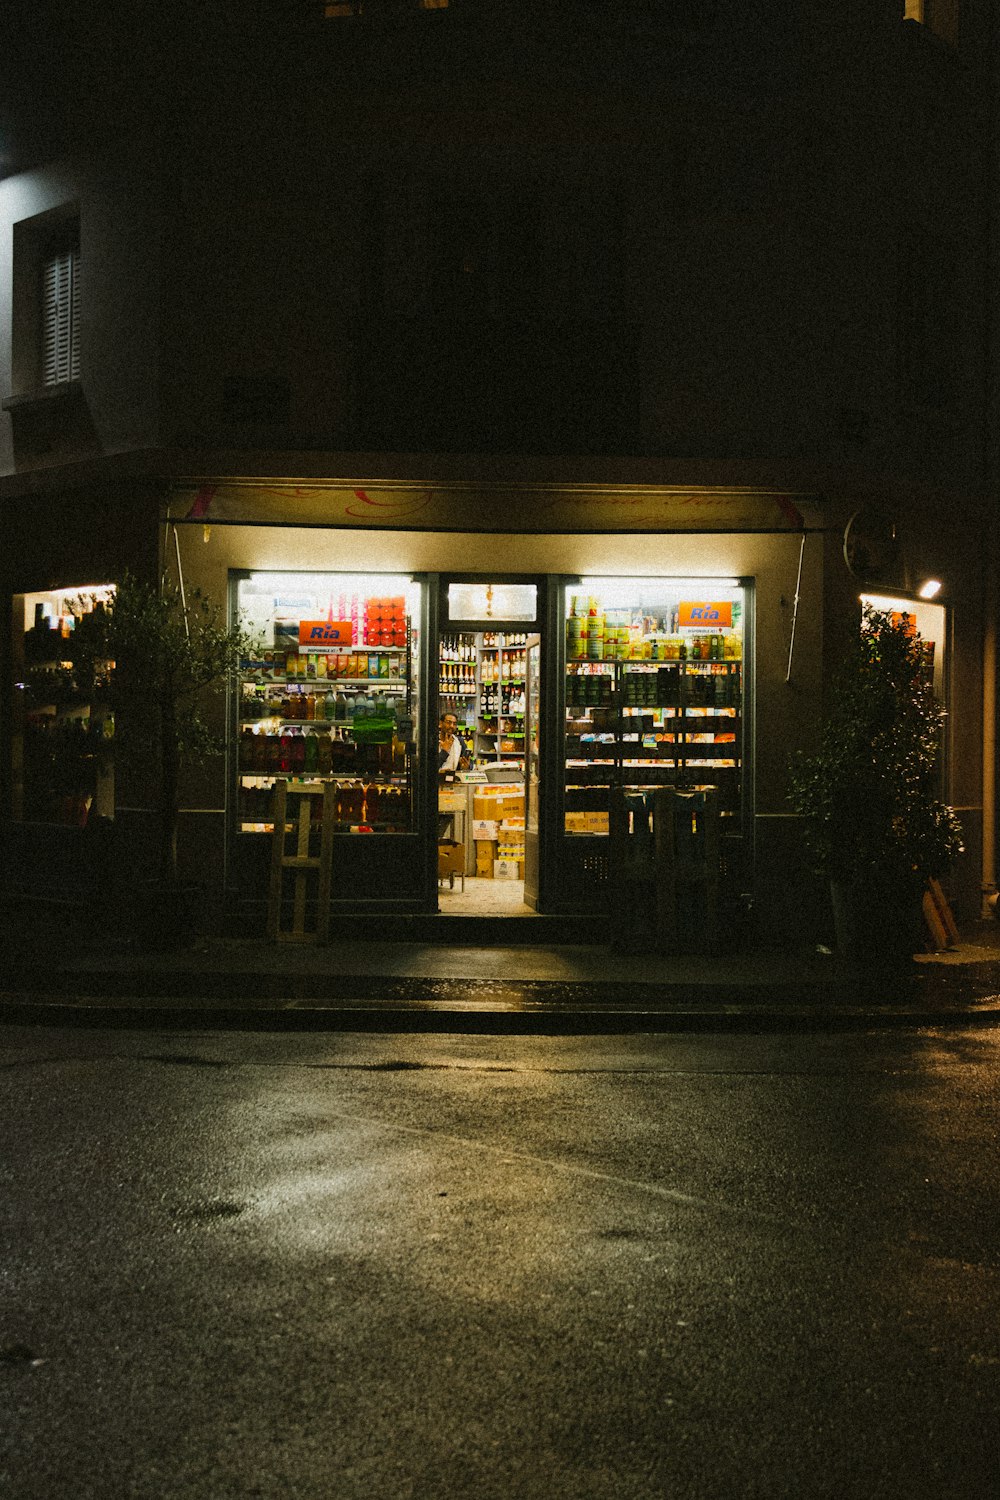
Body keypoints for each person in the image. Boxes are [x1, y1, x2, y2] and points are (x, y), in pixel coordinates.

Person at [438, 711, 471, 777]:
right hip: (435, 783)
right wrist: (444, 751)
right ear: (440, 723)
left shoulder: (459, 742)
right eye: (448, 722)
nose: (451, 726)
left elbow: (468, 765)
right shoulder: (431, 741)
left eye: (454, 724)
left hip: (453, 783)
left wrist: (466, 766)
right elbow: (429, 768)